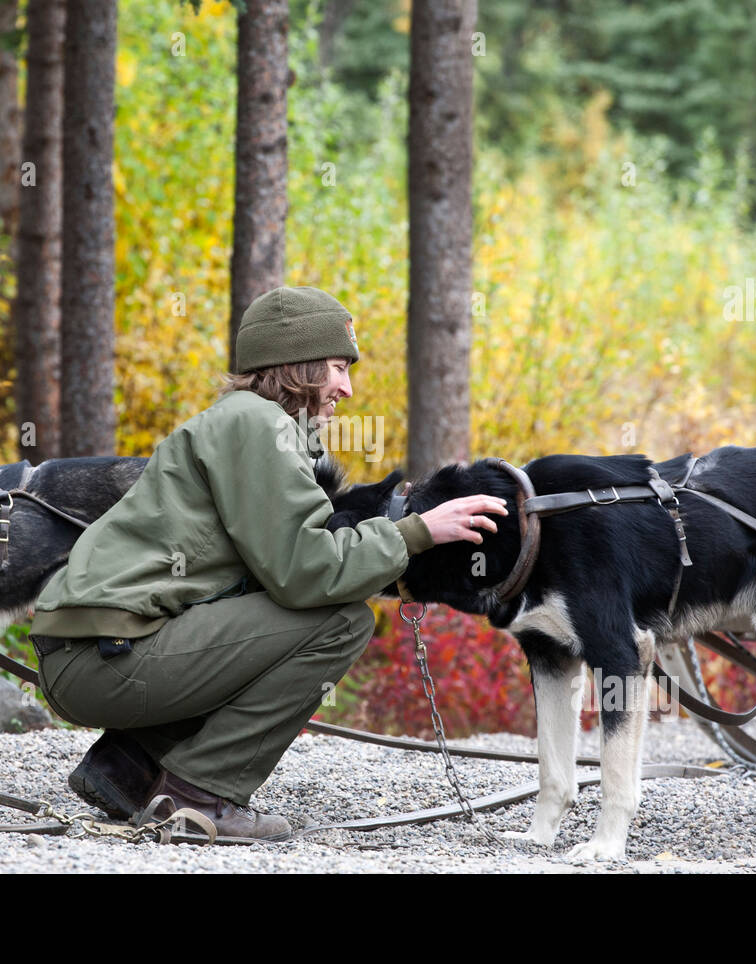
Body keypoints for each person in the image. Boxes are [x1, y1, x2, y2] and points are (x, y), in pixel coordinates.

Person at [28, 286, 507, 841]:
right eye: (336, 368)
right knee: (339, 620)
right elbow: (307, 573)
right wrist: (418, 532)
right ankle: (200, 795)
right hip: (108, 658)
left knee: (272, 619)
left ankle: (128, 768)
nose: (347, 389)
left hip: (94, 651)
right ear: (297, 366)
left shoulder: (243, 422)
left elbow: (270, 580)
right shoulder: (260, 425)